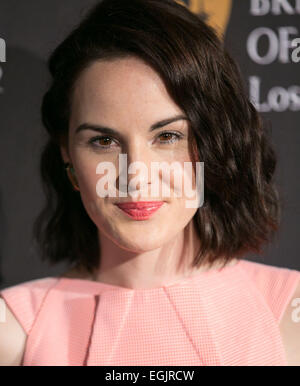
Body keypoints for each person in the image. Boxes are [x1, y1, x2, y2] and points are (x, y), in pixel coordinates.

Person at [0, 0, 299, 366]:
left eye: (168, 137)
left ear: (212, 143)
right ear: (68, 156)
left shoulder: (288, 312)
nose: (136, 175)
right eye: (104, 142)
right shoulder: (12, 332)